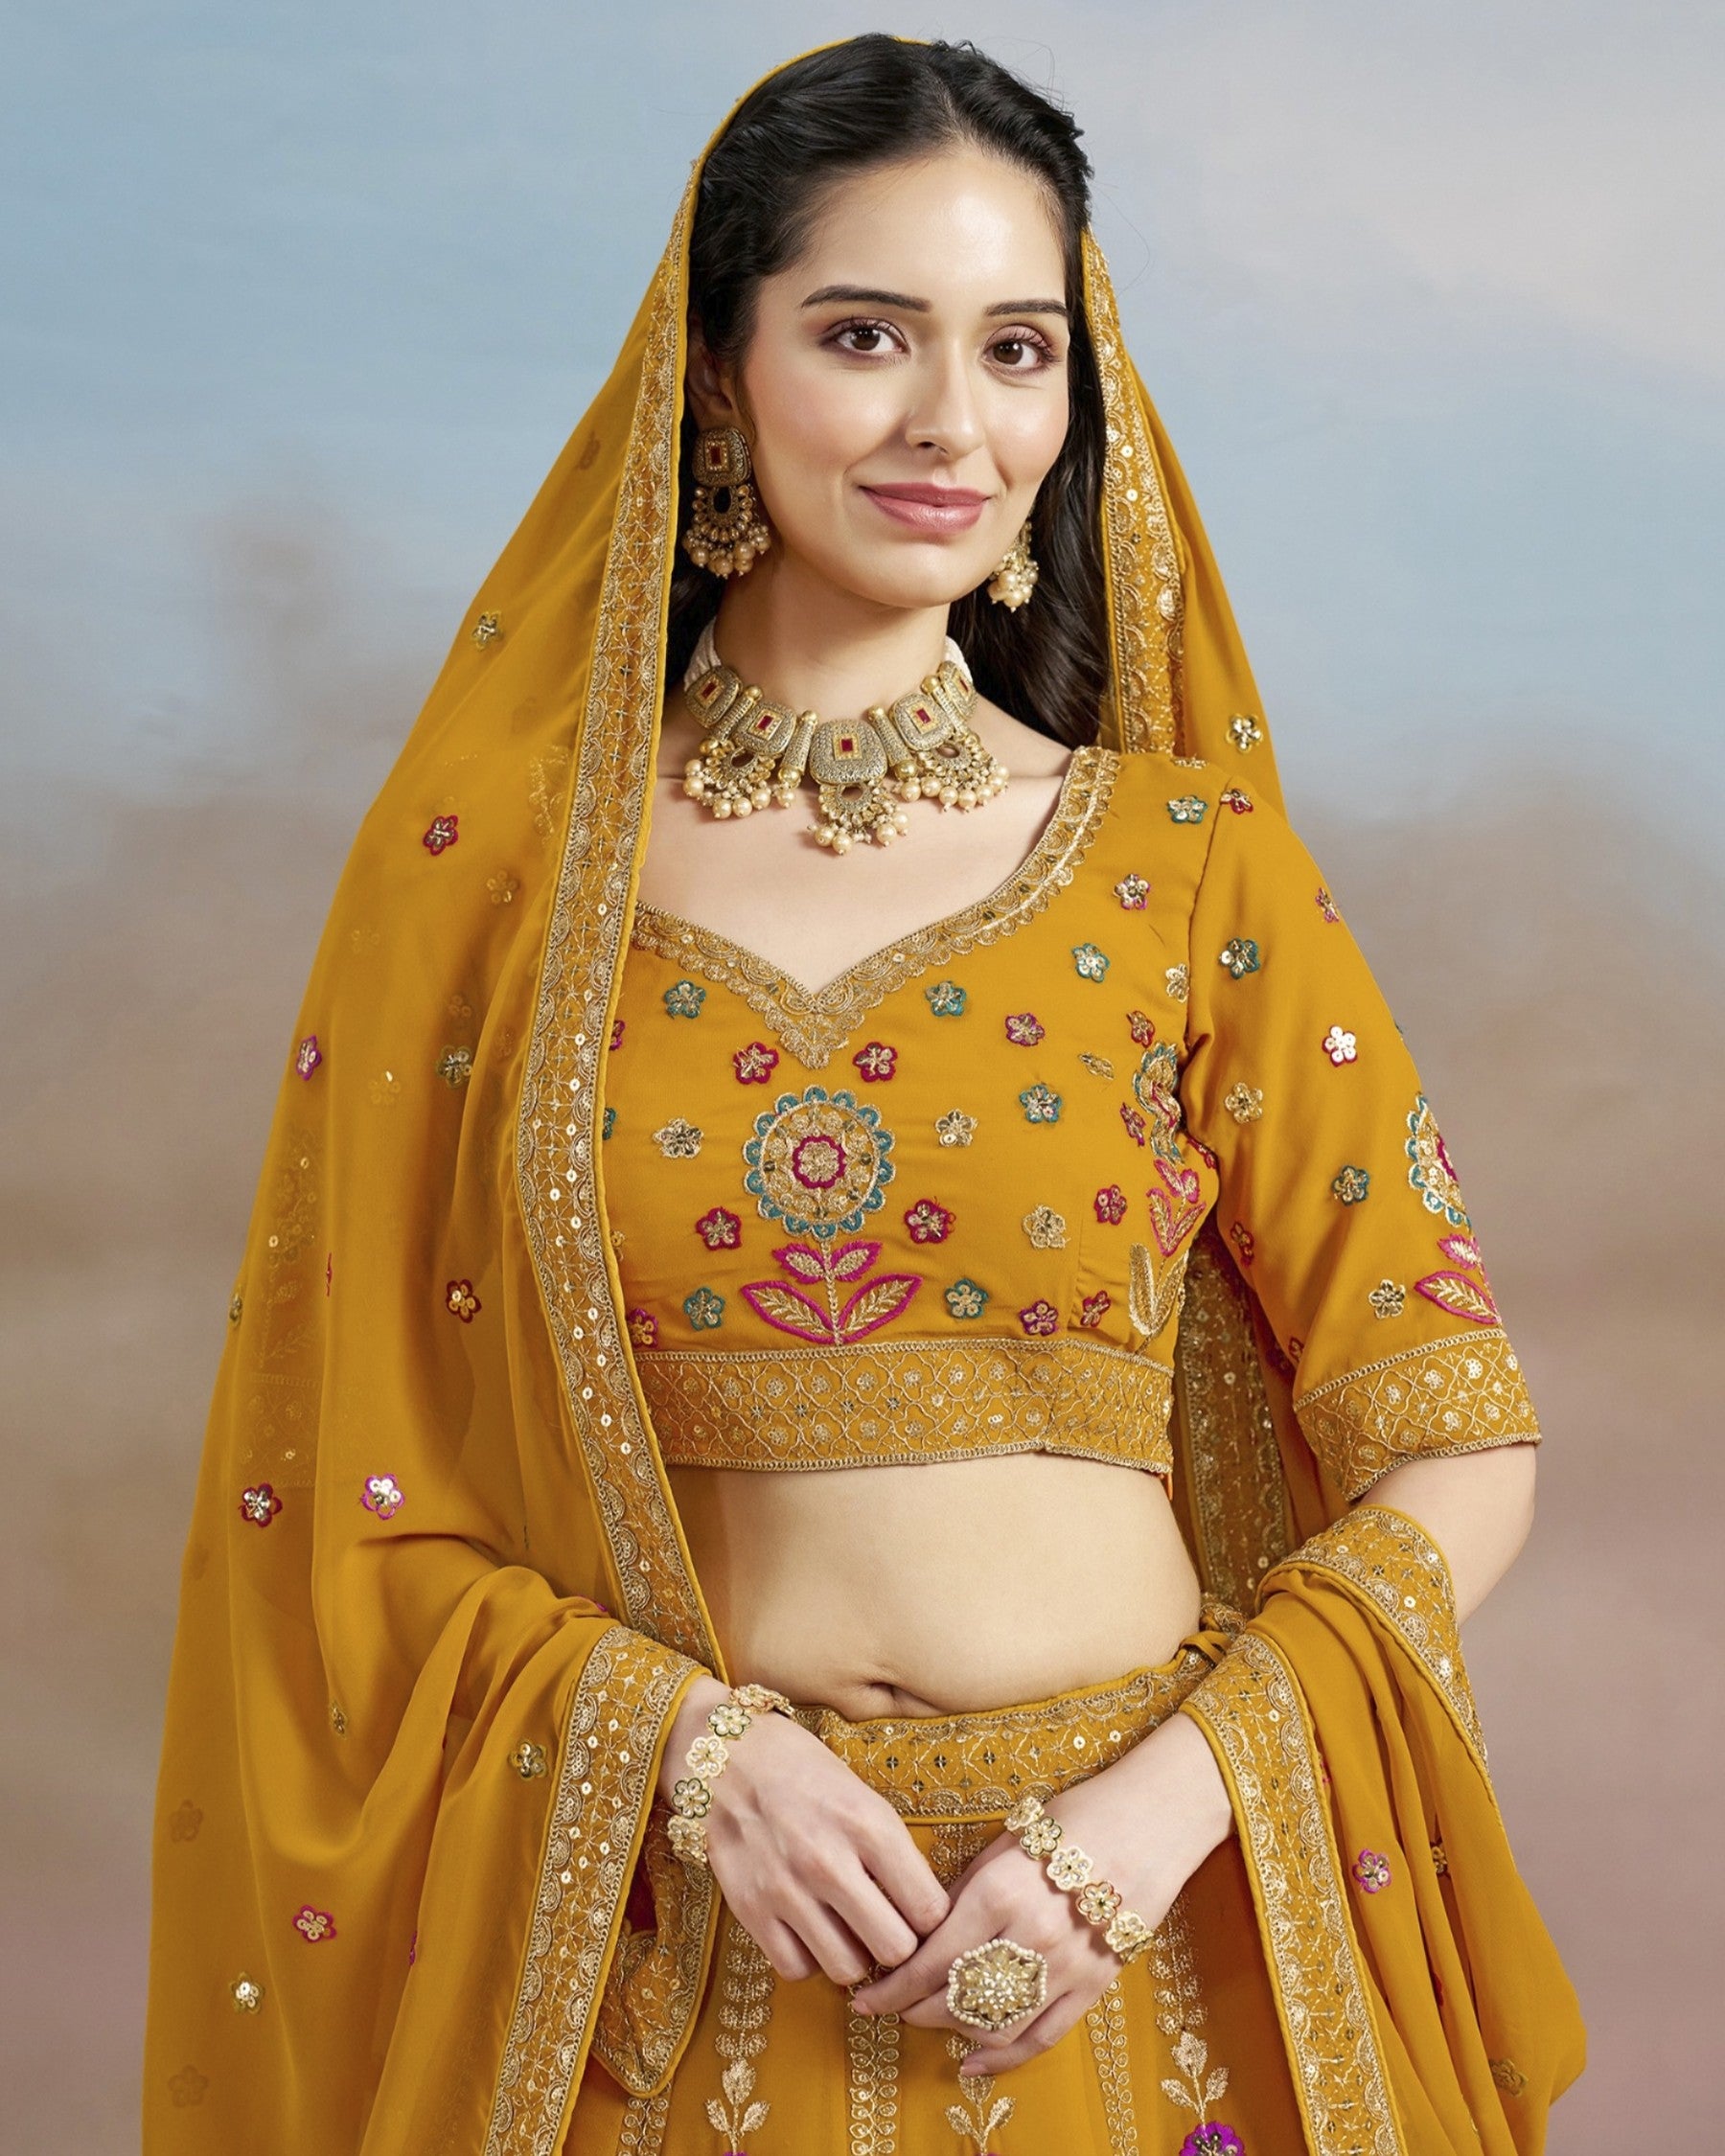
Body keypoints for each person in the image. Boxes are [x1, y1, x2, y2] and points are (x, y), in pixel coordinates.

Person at [144, 34, 1584, 2156]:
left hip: (1129, 1951)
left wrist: (1135, 1834)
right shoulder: (498, 901)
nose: (951, 423)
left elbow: (1457, 1440)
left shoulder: (1191, 868)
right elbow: (342, 1501)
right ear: (715, 378)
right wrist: (689, 1757)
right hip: (683, 1955)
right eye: (861, 336)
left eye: (1019, 349)